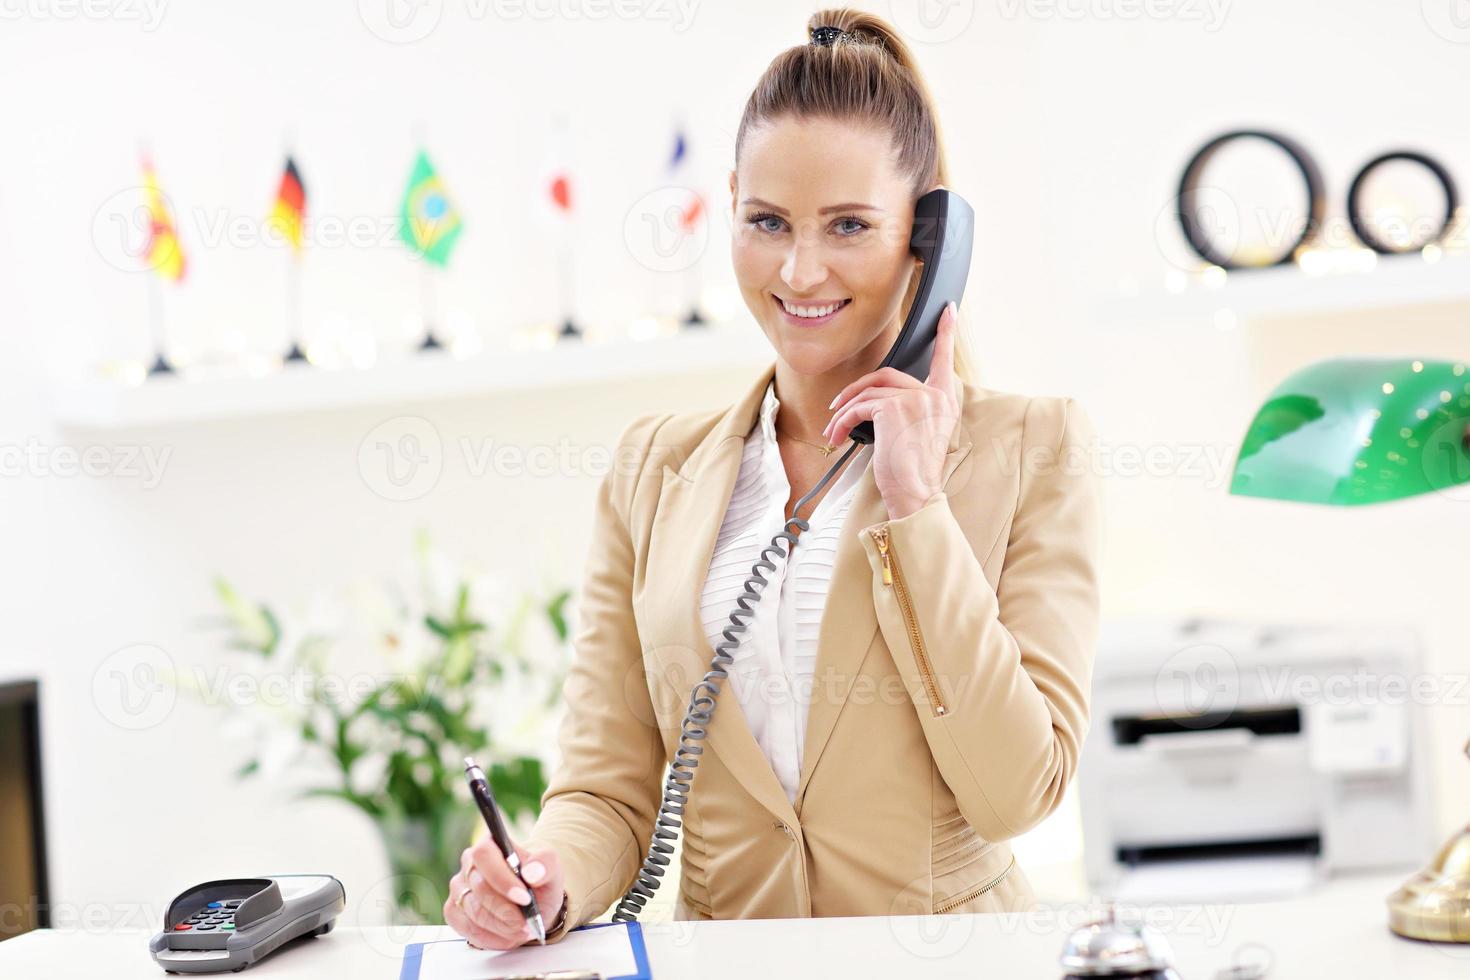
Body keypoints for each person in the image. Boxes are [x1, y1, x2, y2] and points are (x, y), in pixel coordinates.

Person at [445, 7, 1101, 949]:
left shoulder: (1033, 449)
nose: (799, 268)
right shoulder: (653, 470)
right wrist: (542, 883)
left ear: (928, 238)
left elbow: (1015, 791)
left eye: (848, 225)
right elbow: (608, 790)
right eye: (767, 221)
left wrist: (919, 506)